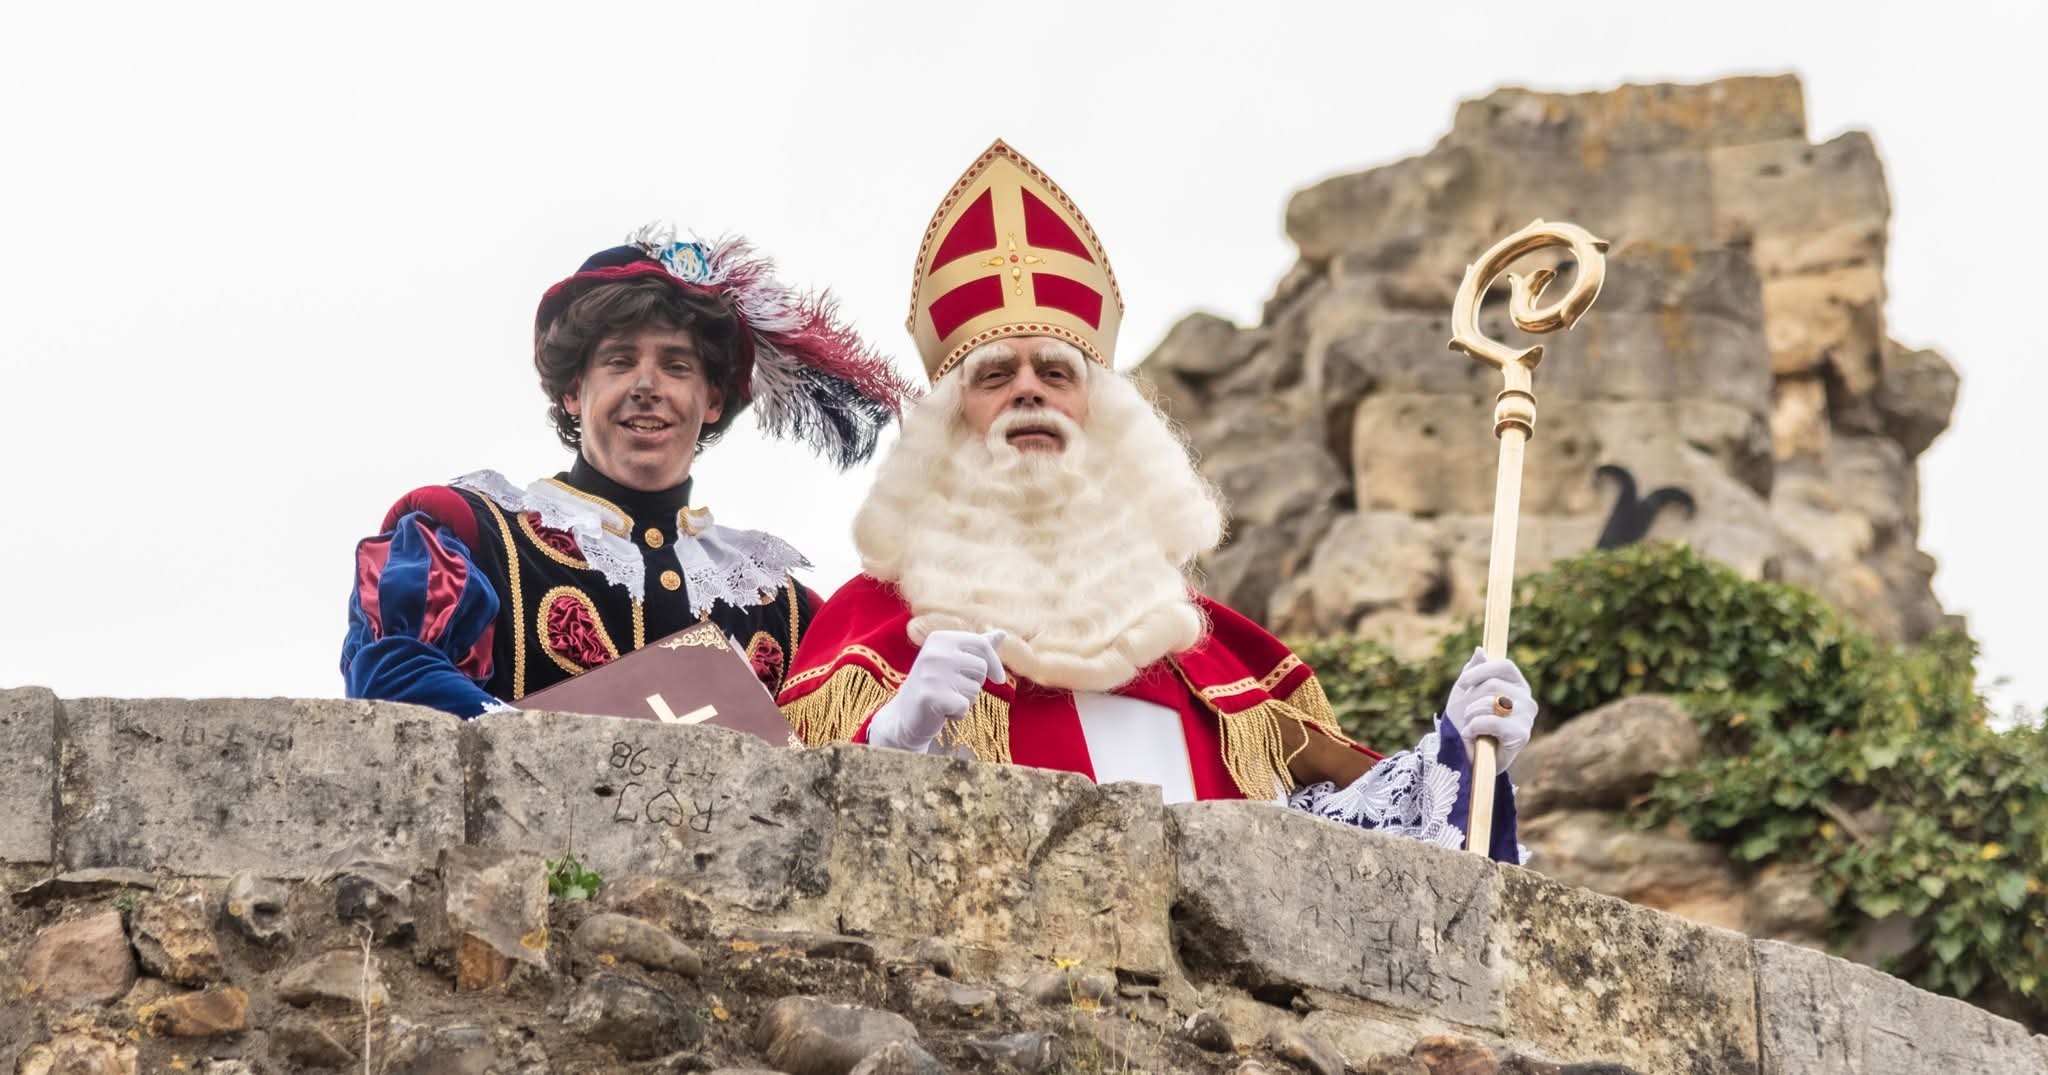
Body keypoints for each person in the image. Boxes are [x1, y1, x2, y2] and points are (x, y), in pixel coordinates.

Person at [777, 142, 1534, 860]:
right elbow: (783, 842)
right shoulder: (865, 637)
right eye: (994, 373)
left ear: (1105, 422)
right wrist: (889, 740)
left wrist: (1460, 758)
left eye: (1057, 371)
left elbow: (1323, 852)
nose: (1029, 388)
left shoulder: (1208, 658)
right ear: (945, 427)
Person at [343, 225, 914, 716]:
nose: (647, 387)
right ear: (573, 391)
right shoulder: (470, 532)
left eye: (676, 365)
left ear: (712, 401)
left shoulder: (785, 609)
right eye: (620, 361)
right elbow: (391, 675)